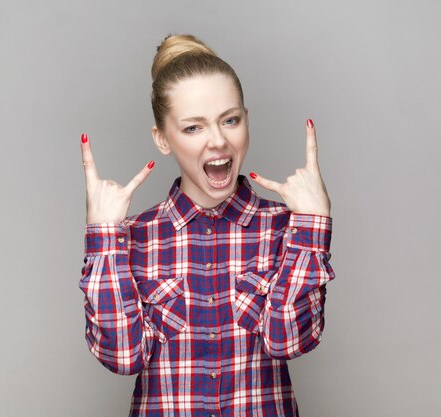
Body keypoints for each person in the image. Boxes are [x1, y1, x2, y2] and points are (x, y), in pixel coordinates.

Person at [79, 34, 335, 417]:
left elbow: (290, 341)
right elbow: (122, 356)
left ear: (246, 120)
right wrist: (103, 238)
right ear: (162, 139)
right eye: (193, 128)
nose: (218, 141)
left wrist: (313, 226)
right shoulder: (132, 237)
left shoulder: (287, 230)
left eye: (229, 120)